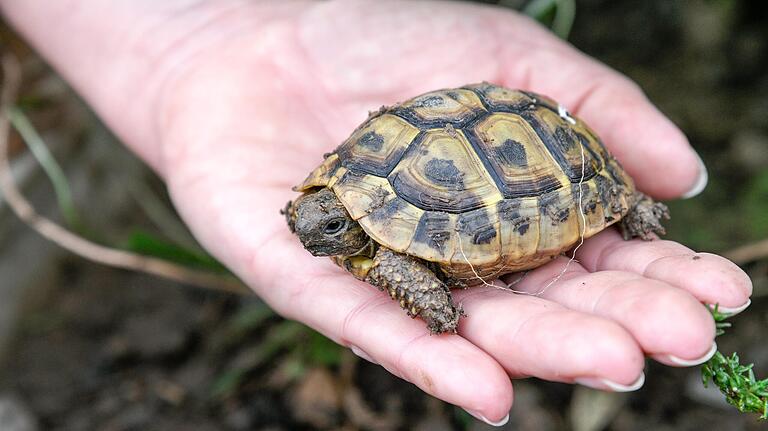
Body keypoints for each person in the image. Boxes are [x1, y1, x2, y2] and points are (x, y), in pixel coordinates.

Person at [0, 0, 752, 426]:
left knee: (632, 225)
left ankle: (630, 205)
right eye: (318, 223)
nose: (313, 235)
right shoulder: (336, 198)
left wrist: (431, 299)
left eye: (328, 229)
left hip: (535, 165)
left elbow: (403, 260)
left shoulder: (385, 245)